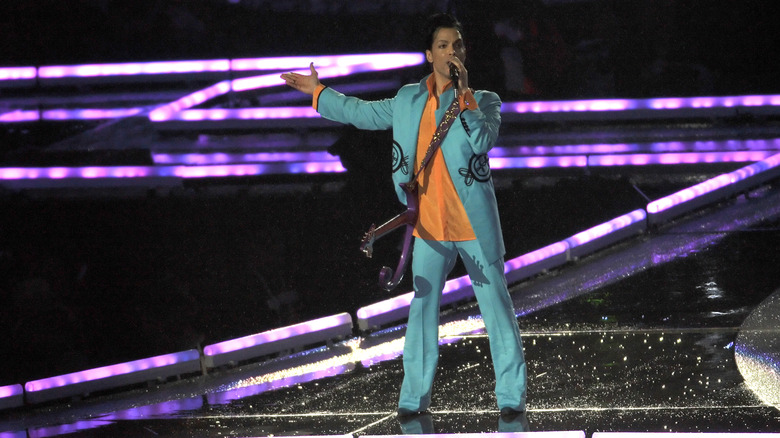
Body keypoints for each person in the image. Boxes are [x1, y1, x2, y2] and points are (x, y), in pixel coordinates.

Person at [281, 13, 526, 417]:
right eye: (444, 45)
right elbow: (362, 113)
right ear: (430, 54)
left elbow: (482, 140)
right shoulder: (409, 100)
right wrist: (319, 91)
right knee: (422, 308)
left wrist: (464, 95)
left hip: (473, 226)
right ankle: (413, 400)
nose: (452, 51)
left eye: (458, 45)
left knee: (497, 309)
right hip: (429, 227)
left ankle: (511, 397)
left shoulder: (483, 101)